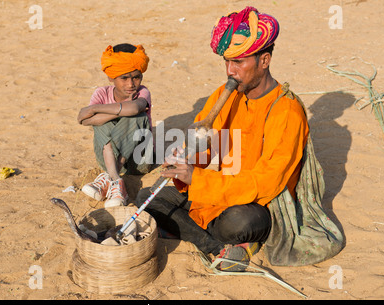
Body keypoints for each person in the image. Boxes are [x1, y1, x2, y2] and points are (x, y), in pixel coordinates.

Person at [136, 6, 310, 272]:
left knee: (239, 223)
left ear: (264, 60)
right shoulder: (225, 94)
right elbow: (202, 140)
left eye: (238, 62)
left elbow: (267, 182)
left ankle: (210, 238)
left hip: (256, 203)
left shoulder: (287, 110)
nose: (230, 71)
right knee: (146, 198)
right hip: (216, 192)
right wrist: (183, 160)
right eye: (227, 62)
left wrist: (199, 180)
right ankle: (218, 246)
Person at [78, 43, 153, 208]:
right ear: (111, 77)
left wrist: (95, 109)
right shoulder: (101, 93)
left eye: (136, 77)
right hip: (107, 157)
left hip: (137, 160)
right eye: (124, 78)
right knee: (103, 122)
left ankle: (109, 177)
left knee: (136, 115)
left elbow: (134, 107)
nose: (131, 84)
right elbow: (81, 118)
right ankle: (116, 181)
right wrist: (118, 110)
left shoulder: (142, 92)